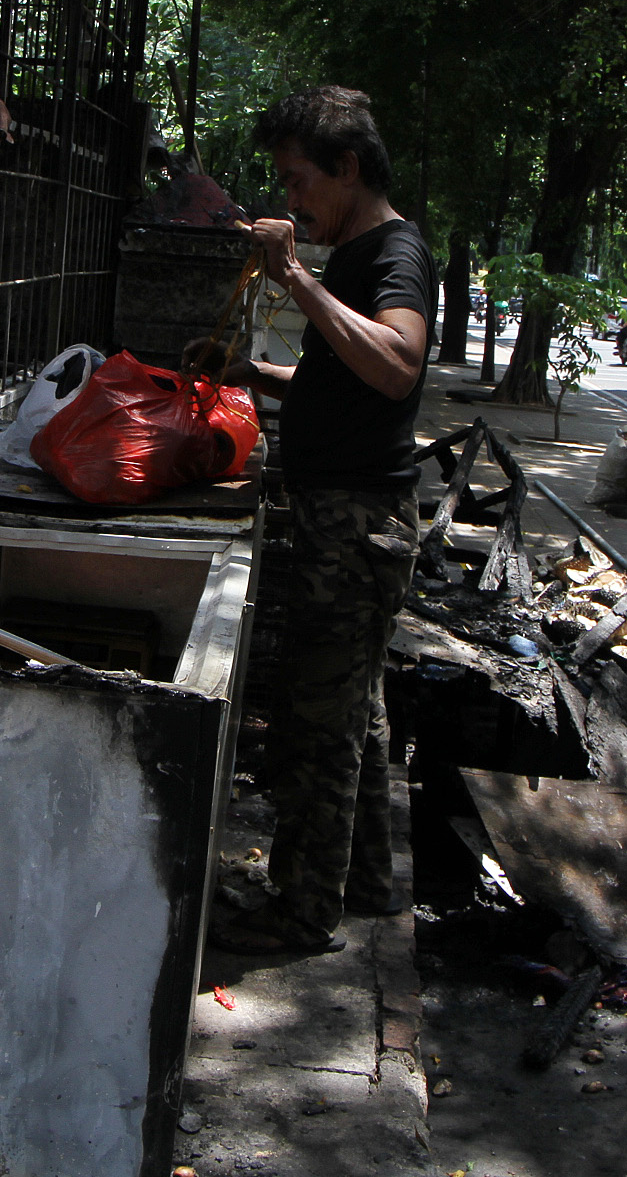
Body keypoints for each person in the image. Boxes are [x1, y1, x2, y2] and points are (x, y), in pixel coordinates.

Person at [198, 86, 435, 955]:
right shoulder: (358, 257)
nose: (291, 203)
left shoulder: (394, 254)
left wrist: (292, 277)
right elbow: (339, 381)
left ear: (347, 167)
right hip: (348, 518)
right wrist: (247, 372)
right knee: (354, 709)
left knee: (318, 723)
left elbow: (396, 366)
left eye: (300, 182)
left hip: (358, 525)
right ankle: (367, 881)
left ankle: (300, 910)